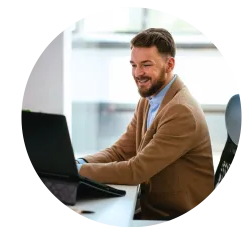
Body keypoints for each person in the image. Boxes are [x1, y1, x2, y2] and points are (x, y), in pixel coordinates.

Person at [75, 28, 215, 220]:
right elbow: (121, 151)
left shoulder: (182, 111)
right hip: (152, 208)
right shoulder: (149, 98)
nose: (138, 73)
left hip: (171, 215)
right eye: (134, 65)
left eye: (146, 65)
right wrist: (80, 162)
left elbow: (136, 171)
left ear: (169, 64)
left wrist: (78, 172)